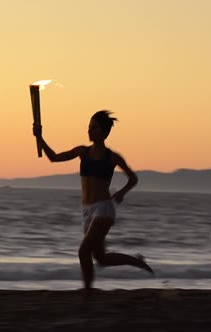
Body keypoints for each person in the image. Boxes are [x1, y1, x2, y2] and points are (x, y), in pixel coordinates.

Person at [33, 110, 153, 291]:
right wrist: (40, 137)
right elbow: (54, 157)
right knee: (101, 259)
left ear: (105, 133)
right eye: (89, 127)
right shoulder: (82, 151)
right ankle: (136, 261)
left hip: (104, 209)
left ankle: (87, 294)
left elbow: (133, 178)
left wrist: (121, 193)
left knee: (83, 252)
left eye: (94, 128)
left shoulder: (112, 157)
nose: (90, 131)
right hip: (86, 211)